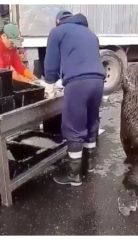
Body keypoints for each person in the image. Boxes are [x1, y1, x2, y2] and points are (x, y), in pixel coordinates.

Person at [44, 10, 105, 186]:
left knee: (73, 126)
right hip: (98, 81)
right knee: (91, 121)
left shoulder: (58, 31)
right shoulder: (91, 34)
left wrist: (49, 82)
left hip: (78, 83)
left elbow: (51, 64)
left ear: (58, 21)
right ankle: (90, 164)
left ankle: (74, 175)